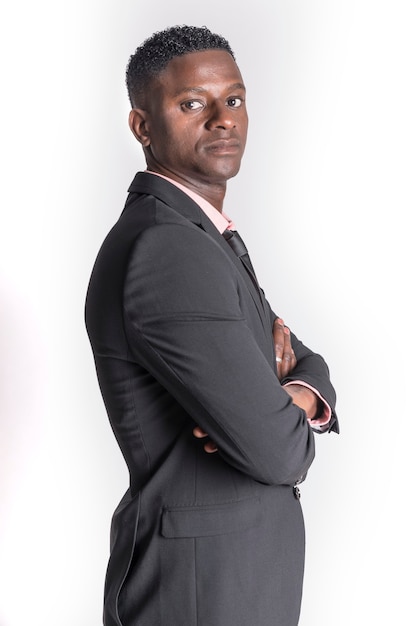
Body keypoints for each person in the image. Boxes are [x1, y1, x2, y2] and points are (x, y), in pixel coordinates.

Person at [85, 24, 338, 626]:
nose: (223, 119)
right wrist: (281, 413)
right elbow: (278, 453)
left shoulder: (202, 237)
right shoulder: (168, 249)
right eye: (193, 103)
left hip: (230, 582)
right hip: (200, 595)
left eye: (235, 98)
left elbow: (307, 359)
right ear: (143, 127)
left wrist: (295, 393)